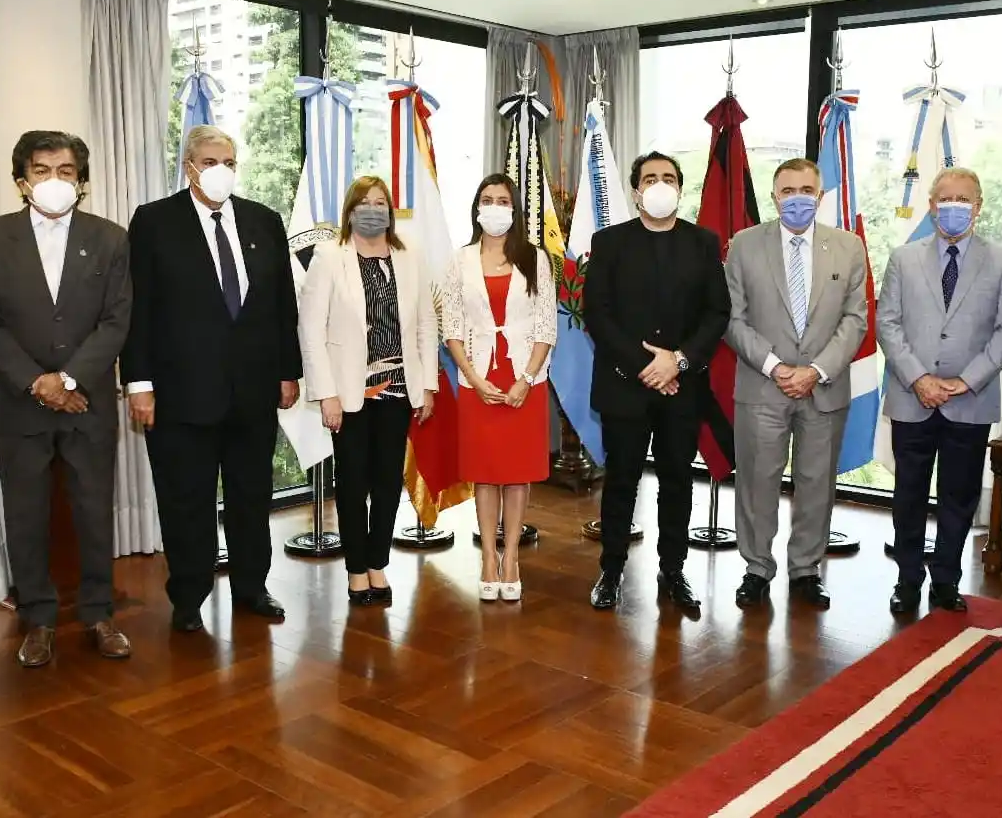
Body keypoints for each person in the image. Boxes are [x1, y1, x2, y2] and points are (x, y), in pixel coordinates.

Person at [121, 125, 301, 630]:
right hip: (181, 394)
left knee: (251, 494)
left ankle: (252, 586)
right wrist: (139, 384)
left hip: (253, 390)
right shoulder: (155, 222)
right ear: (189, 165)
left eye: (228, 161)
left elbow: (281, 305)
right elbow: (138, 309)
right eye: (208, 161)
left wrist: (289, 371)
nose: (219, 169)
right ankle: (189, 598)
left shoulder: (264, 221)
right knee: (187, 500)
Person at [0, 131, 132, 667]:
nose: (53, 180)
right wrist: (37, 382)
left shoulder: (110, 238)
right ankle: (36, 620)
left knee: (92, 511)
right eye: (41, 170)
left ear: (81, 182)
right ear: (21, 180)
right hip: (21, 404)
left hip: (89, 405)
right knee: (26, 515)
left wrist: (71, 381)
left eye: (65, 171)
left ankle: (99, 614)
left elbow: (115, 321)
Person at [584, 152, 730, 612]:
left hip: (683, 388)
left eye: (668, 177)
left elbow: (717, 312)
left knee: (677, 483)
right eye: (651, 177)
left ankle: (673, 570)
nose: (660, 184)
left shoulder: (703, 243)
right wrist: (647, 368)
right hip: (625, 385)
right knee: (622, 480)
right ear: (636, 190)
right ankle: (611, 570)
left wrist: (679, 363)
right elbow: (598, 315)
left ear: (680, 189)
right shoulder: (609, 242)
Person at [724, 157, 868, 611]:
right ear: (774, 196)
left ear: (820, 195)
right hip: (762, 386)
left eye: (807, 190)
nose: (798, 199)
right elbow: (732, 318)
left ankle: (806, 569)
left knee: (816, 482)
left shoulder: (848, 247)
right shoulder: (744, 246)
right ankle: (756, 568)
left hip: (823, 388)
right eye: (788, 191)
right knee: (756, 482)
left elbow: (856, 319)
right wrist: (774, 367)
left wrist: (815, 370)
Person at [876, 168, 1002, 615]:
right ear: (931, 204)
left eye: (963, 199)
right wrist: (919, 378)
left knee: (959, 496)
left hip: (970, 401)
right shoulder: (903, 257)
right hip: (911, 397)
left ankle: (945, 581)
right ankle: (907, 579)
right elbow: (888, 322)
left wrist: (965, 381)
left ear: (978, 206)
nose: (953, 206)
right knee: (909, 493)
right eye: (944, 198)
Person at [300, 176, 436, 606]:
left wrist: (428, 386)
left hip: (398, 389)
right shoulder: (329, 256)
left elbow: (425, 323)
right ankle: (356, 570)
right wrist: (327, 394)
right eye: (365, 202)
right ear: (351, 210)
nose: (374, 209)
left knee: (386, 481)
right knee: (353, 483)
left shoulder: (408, 255)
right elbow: (311, 329)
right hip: (349, 393)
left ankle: (378, 563)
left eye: (381, 202)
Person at [442, 173, 557, 602]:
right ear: (477, 208)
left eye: (502, 200)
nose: (494, 207)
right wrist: (473, 378)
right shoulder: (460, 260)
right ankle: (488, 557)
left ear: (514, 209)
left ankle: (511, 558)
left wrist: (526, 379)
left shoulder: (535, 259)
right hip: (478, 380)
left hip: (525, 379)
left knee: (516, 473)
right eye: (487, 199)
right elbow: (451, 326)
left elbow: (547, 325)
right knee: (486, 474)